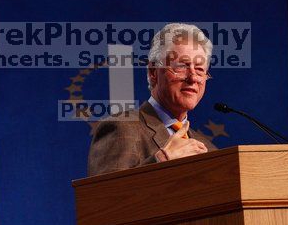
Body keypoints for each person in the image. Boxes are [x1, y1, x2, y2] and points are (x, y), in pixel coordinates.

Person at [87, 23, 216, 176]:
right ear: (153, 72)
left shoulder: (208, 148)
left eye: (200, 70)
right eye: (181, 66)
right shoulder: (122, 128)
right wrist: (162, 160)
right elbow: (102, 197)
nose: (193, 77)